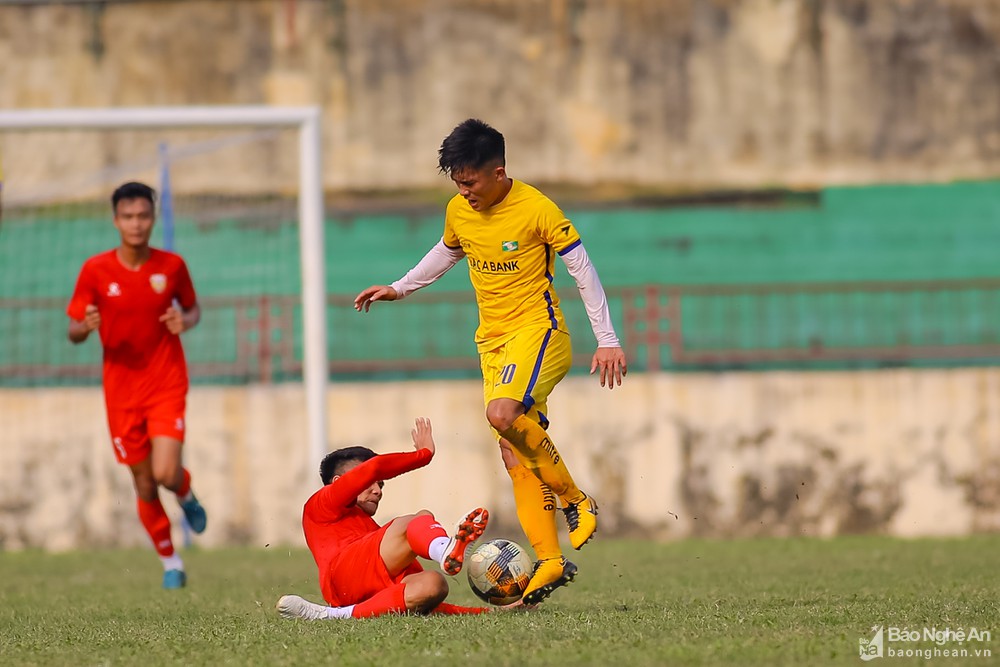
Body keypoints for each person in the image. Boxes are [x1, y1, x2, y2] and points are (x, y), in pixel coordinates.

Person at [353, 119, 628, 605]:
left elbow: (582, 269)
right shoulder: (459, 210)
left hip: (539, 332)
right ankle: (549, 561)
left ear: (499, 172)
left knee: (502, 415)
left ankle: (575, 499)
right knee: (512, 450)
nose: (464, 192)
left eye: (471, 182)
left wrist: (606, 339)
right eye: (457, 183)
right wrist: (400, 287)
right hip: (493, 343)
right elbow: (446, 251)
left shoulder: (537, 208)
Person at [66, 181, 207, 590]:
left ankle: (184, 491)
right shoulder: (96, 270)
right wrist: (84, 328)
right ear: (115, 221)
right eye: (127, 217)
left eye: (143, 216)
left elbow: (193, 307)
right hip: (121, 393)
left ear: (152, 218)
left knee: (164, 472)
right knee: (143, 483)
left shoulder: (171, 266)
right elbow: (74, 328)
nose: (136, 224)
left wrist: (187, 320)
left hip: (165, 382)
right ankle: (171, 562)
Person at [276, 417, 495, 620]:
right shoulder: (322, 503)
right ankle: (443, 548)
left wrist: (489, 611)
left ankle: (336, 615)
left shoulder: (374, 536)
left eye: (380, 484)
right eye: (369, 482)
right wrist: (424, 454)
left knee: (433, 584)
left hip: (354, 596)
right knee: (417, 519)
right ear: (338, 482)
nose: (378, 490)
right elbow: (375, 467)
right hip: (340, 576)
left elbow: (428, 605)